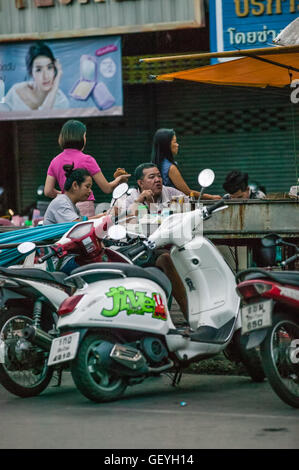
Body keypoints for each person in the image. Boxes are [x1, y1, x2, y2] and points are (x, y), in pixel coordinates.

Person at [124, 162, 189, 320]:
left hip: (167, 246)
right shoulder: (131, 196)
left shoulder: (170, 192)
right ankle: (190, 315)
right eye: (151, 177)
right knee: (166, 258)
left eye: (159, 176)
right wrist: (139, 201)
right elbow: (127, 217)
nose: (157, 180)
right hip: (137, 250)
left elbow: (189, 205)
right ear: (140, 183)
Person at [44, 119, 130, 217]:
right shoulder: (87, 159)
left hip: (65, 206)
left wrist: (66, 194)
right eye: (85, 136)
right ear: (81, 138)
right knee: (85, 230)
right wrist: (118, 180)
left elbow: (48, 191)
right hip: (84, 205)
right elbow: (106, 188)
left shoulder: (55, 161)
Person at [151, 128, 221, 200]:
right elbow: (187, 192)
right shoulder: (170, 168)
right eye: (175, 142)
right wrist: (211, 197)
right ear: (166, 145)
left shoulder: (155, 165)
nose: (177, 145)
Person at [4, 42, 69, 111]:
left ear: (55, 69)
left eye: (49, 67)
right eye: (39, 70)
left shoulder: (61, 101)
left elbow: (43, 119)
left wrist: (55, 85)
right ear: (31, 72)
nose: (46, 76)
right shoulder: (15, 92)